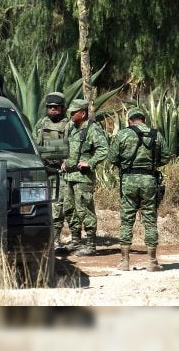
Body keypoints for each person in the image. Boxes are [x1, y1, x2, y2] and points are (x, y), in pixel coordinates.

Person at [108, 108, 170, 272]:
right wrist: (151, 164)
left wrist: (126, 164)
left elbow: (112, 157)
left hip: (128, 180)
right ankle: (152, 261)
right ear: (143, 119)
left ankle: (124, 261)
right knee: (150, 219)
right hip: (149, 180)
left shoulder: (123, 134)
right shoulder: (156, 135)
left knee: (127, 219)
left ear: (130, 121)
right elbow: (166, 157)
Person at [60, 99, 108, 256]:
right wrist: (63, 162)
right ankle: (75, 240)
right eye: (71, 113)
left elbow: (103, 149)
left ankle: (91, 245)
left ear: (83, 113)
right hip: (69, 176)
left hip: (83, 178)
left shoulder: (93, 129)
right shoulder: (71, 128)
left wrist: (90, 162)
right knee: (69, 208)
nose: (71, 115)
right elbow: (66, 148)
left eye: (74, 113)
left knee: (84, 209)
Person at [33, 92, 72, 250]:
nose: (53, 110)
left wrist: (67, 161)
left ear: (62, 108)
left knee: (58, 206)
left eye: (56, 107)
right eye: (50, 107)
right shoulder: (41, 123)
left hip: (59, 171)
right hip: (43, 169)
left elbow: (72, 146)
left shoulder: (68, 125)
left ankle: (55, 239)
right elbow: (35, 143)